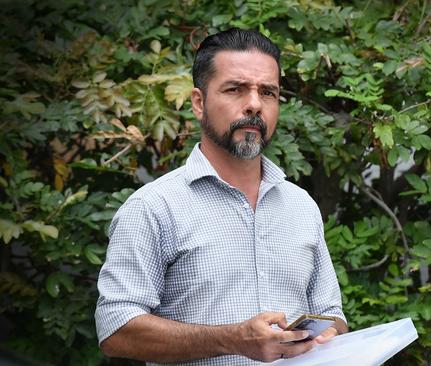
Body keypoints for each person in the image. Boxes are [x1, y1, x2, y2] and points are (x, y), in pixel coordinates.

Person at [95, 28, 348, 365]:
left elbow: (331, 314)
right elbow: (116, 330)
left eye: (268, 93)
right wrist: (233, 340)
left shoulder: (300, 205)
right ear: (199, 103)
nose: (254, 104)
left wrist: (331, 333)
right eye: (235, 89)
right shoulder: (153, 208)